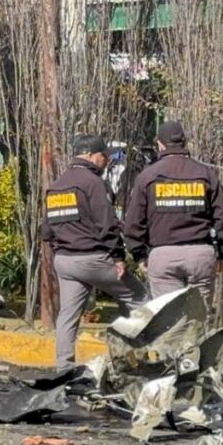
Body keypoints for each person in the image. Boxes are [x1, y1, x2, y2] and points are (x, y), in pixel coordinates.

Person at [42, 135, 147, 371]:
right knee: (140, 300)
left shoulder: (57, 185)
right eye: (103, 156)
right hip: (94, 258)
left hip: (65, 261)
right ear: (90, 155)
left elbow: (46, 232)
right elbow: (107, 224)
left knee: (68, 316)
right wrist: (119, 257)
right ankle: (139, 360)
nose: (106, 160)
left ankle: (63, 367)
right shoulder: (92, 183)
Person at [121, 121, 223, 322]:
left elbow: (133, 223)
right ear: (184, 142)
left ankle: (174, 353)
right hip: (200, 255)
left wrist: (139, 254)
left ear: (160, 145)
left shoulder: (148, 176)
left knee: (169, 322)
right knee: (198, 320)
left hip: (163, 255)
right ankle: (194, 353)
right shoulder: (205, 174)